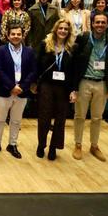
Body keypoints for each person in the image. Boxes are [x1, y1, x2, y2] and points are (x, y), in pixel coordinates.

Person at [71, 12, 108, 162]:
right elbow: (75, 61)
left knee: (97, 117)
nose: (100, 25)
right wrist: (74, 86)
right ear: (92, 23)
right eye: (97, 22)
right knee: (80, 116)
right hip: (84, 82)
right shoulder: (84, 38)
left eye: (103, 22)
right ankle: (78, 144)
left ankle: (94, 145)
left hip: (102, 84)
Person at [0, 24, 37, 159]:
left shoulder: (29, 51)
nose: (16, 36)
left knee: (16, 120)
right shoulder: (0, 51)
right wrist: (11, 86)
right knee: (0, 119)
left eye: (18, 34)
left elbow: (33, 71)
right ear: (8, 36)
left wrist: (22, 86)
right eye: (13, 34)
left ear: (23, 35)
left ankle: (12, 144)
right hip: (4, 90)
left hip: (22, 91)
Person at [35, 19, 77, 160]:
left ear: (69, 32)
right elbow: (37, 65)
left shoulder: (72, 48)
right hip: (47, 85)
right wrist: (35, 84)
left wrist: (73, 90)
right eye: (60, 28)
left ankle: (54, 147)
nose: (63, 31)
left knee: (60, 119)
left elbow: (73, 71)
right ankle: (41, 145)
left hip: (63, 87)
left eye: (66, 29)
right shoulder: (45, 44)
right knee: (44, 117)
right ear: (55, 29)